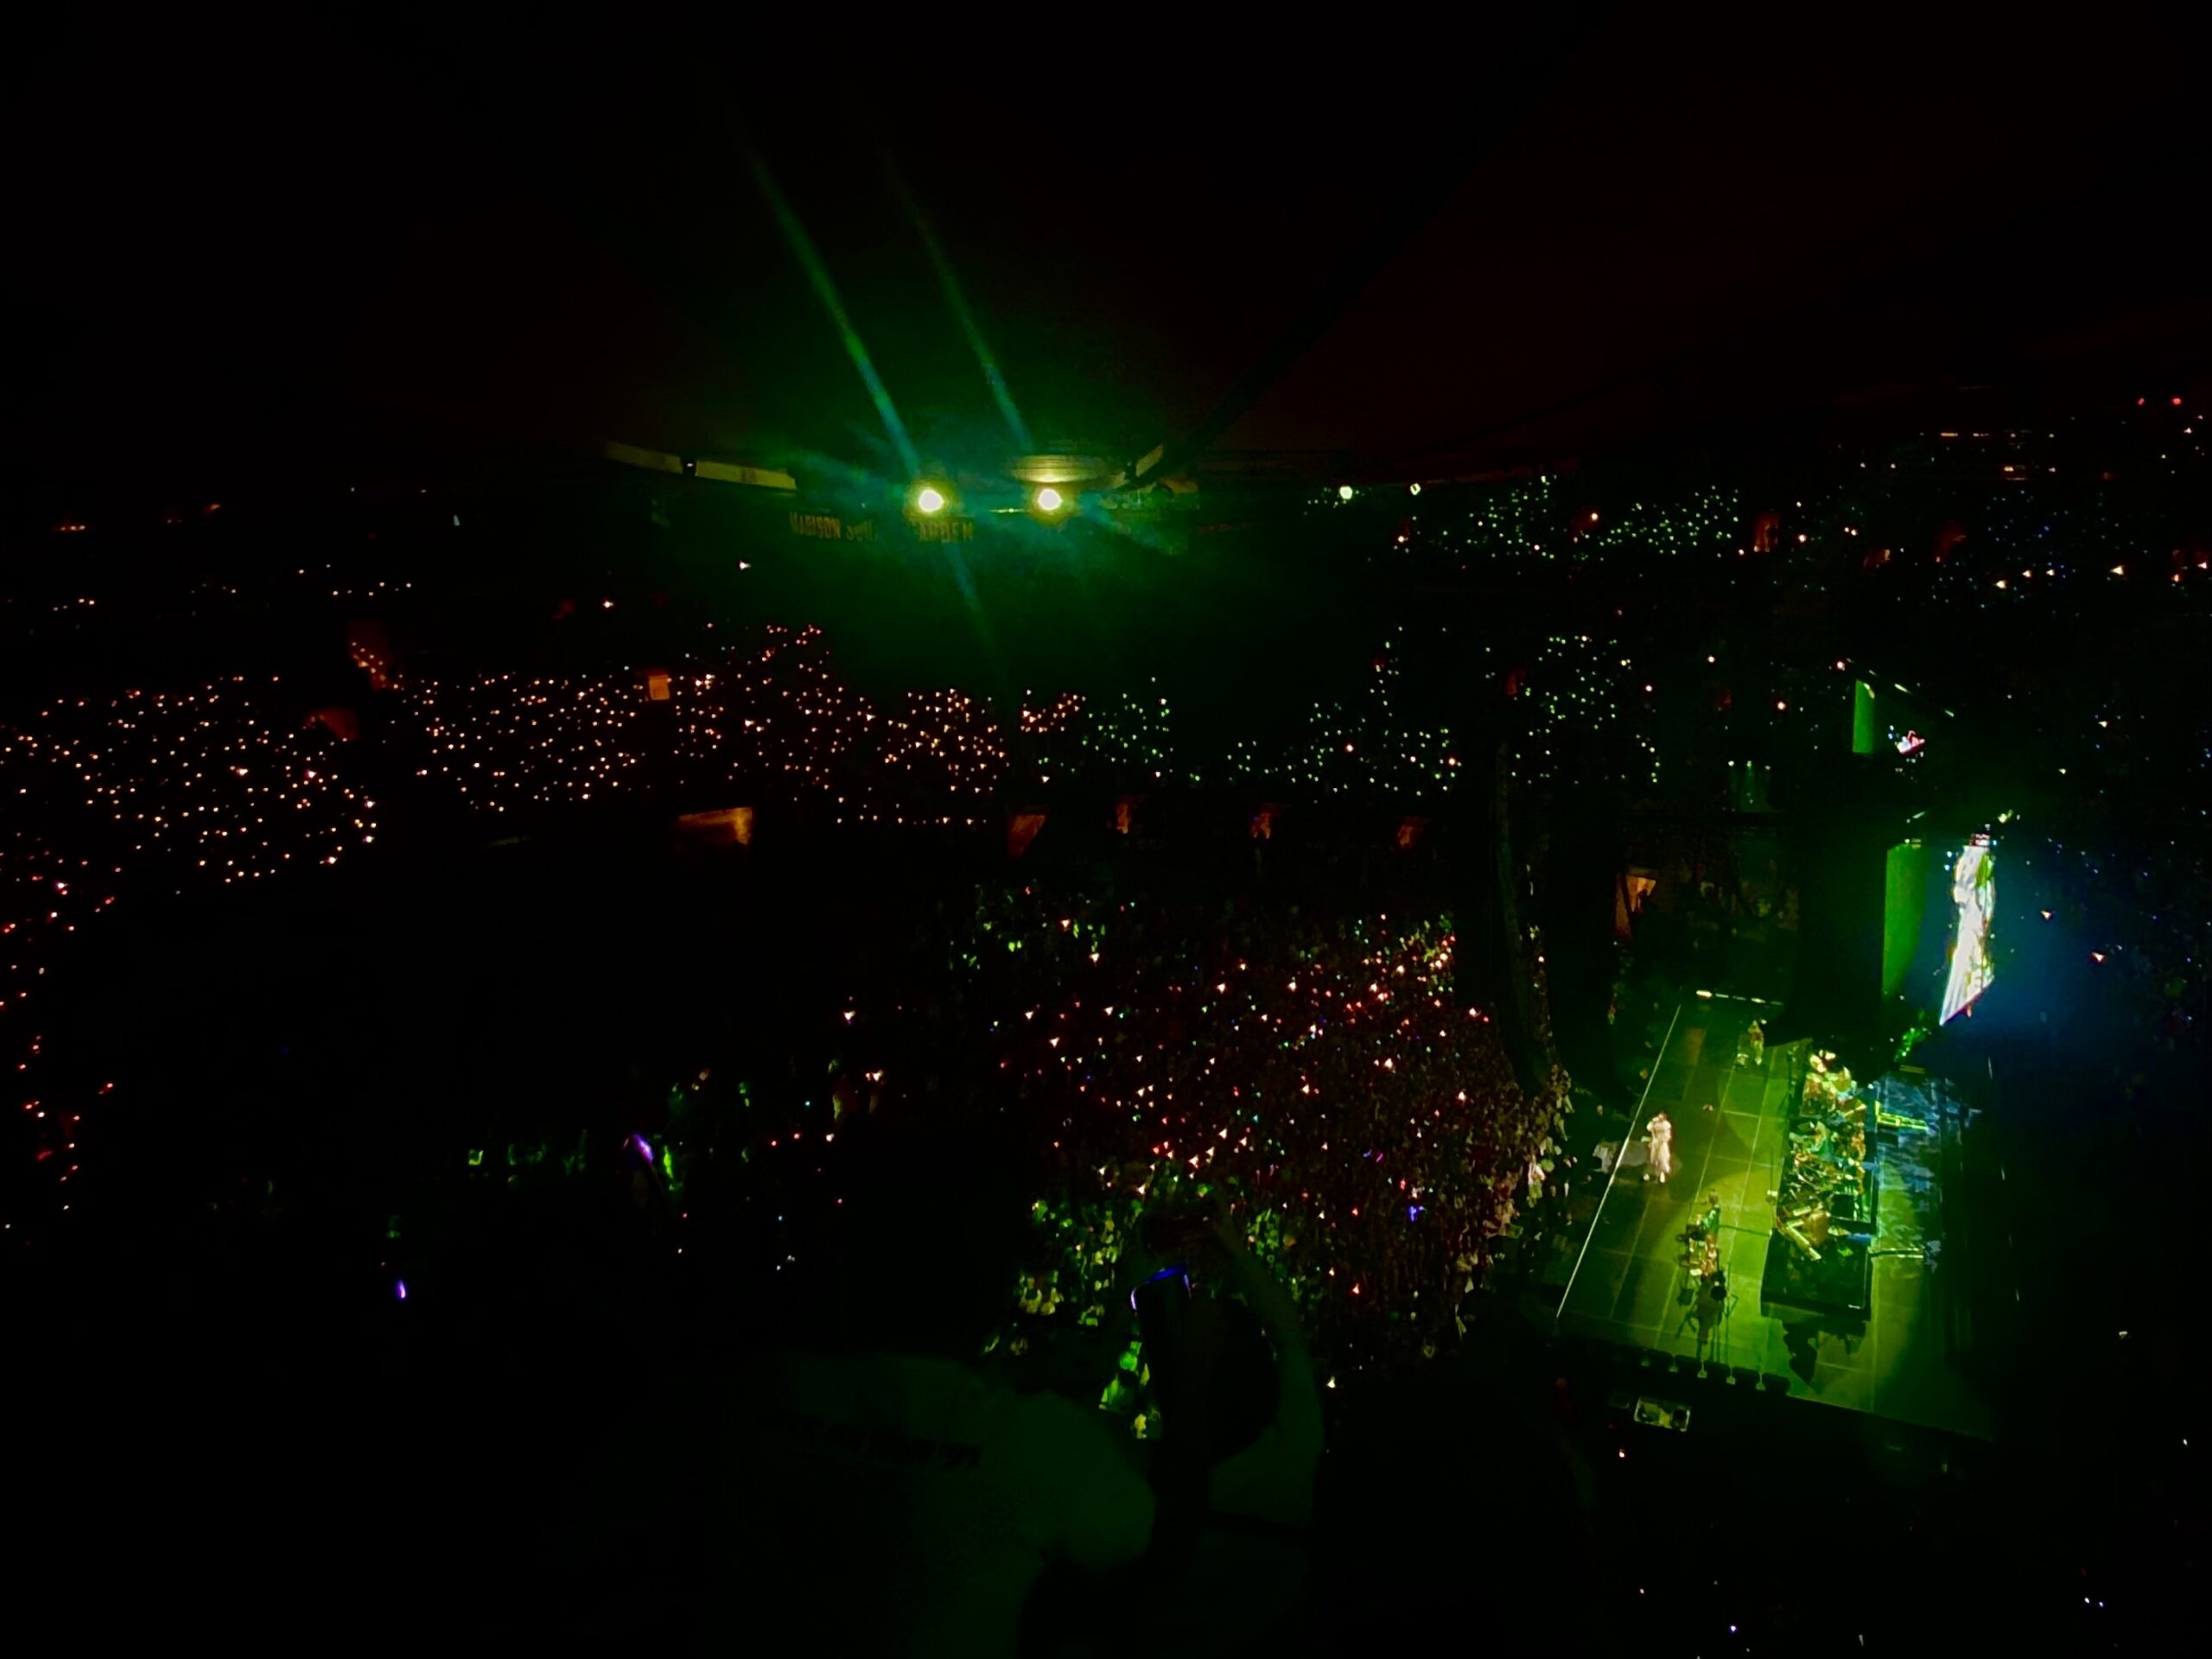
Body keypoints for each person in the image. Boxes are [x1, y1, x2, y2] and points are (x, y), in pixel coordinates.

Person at [1643, 1111, 1674, 1184]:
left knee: (1662, 1158)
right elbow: (1649, 1128)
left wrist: (1663, 1140)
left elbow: (1668, 1135)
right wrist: (1653, 1121)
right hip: (1655, 1143)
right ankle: (1650, 1173)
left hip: (1662, 1144)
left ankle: (1662, 1174)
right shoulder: (1655, 1123)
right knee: (1653, 1159)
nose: (1660, 1117)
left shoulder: (1666, 1125)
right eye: (1659, 1116)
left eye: (1662, 1116)